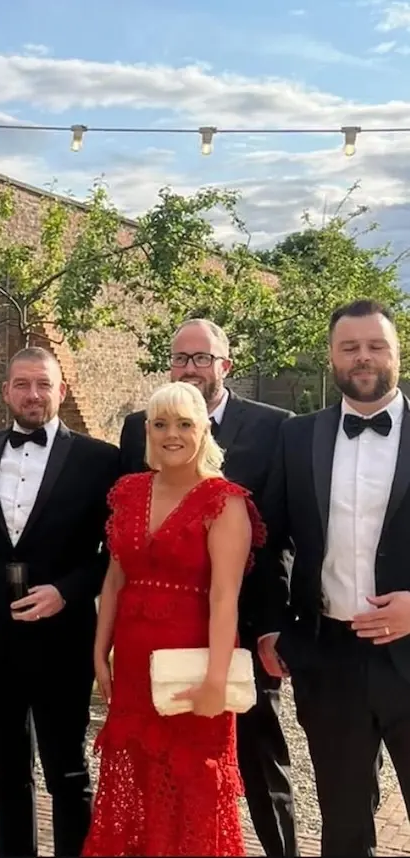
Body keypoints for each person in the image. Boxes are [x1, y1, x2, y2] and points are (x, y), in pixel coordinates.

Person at [117, 318, 297, 857]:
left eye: (201, 358)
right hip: (156, 637)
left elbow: (282, 538)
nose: (190, 367)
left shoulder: (274, 427)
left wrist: (272, 627)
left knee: (258, 764)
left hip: (243, 628)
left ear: (226, 365)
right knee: (160, 768)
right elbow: (128, 532)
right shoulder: (138, 426)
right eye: (180, 358)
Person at [84, 380, 263, 856]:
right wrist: (100, 652)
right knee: (136, 786)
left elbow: (225, 599)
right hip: (133, 668)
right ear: (148, 431)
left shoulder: (224, 500)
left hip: (194, 672)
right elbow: (114, 579)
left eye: (185, 423)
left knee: (194, 791)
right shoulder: (129, 491)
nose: (172, 434)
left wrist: (216, 682)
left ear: (204, 430)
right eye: (161, 424)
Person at [258, 299, 410, 856]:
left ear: (397, 353)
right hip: (329, 659)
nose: (362, 357)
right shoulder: (297, 436)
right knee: (343, 826)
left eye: (375, 346)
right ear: (331, 356)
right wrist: (273, 627)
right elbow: (270, 539)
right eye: (350, 347)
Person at [0, 346, 120, 857]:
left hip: (62, 643)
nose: (33, 394)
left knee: (68, 771)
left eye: (43, 384)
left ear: (61, 391)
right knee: (7, 771)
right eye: (22, 385)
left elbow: (116, 554)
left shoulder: (100, 460)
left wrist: (66, 591)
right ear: (6, 391)